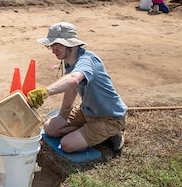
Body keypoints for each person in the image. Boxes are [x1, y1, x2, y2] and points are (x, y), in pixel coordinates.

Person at [26, 22, 127, 154]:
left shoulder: (86, 61)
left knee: (67, 145)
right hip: (87, 111)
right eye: (52, 44)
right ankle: (90, 129)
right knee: (50, 129)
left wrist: (46, 91)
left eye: (58, 44)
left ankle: (111, 133)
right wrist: (64, 113)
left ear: (71, 44)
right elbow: (72, 88)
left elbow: (74, 80)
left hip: (109, 117)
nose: (53, 49)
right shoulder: (69, 61)